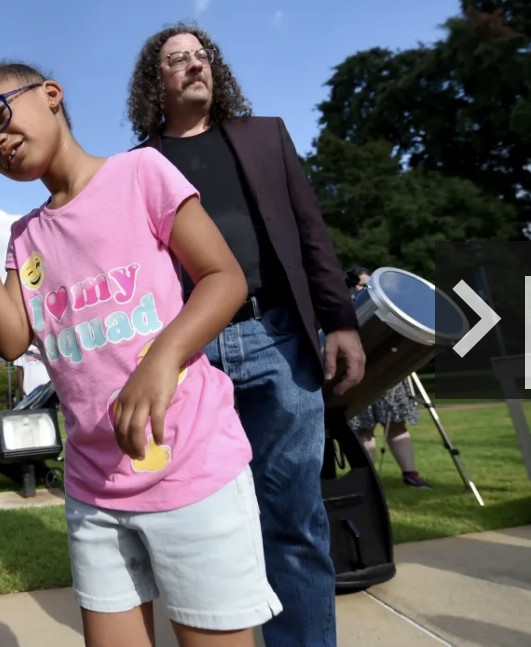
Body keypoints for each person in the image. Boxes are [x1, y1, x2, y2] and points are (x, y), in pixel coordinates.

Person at [0, 60, 281, 647]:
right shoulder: (25, 236)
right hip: (94, 490)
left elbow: (223, 277)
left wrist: (162, 358)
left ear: (51, 95)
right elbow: (12, 341)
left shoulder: (140, 172)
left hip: (190, 469)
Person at [126, 24, 367, 647]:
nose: (194, 65)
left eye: (201, 55)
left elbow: (311, 232)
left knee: (294, 517)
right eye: (177, 59)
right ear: (156, 82)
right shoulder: (137, 167)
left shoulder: (265, 137)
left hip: (277, 337)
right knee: (201, 521)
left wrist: (340, 321)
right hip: (190, 353)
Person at [348, 268, 431, 488]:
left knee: (396, 424)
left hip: (390, 374)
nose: (364, 289)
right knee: (364, 429)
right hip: (361, 375)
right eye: (360, 285)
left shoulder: (390, 302)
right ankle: (367, 481)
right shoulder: (348, 307)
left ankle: (410, 474)